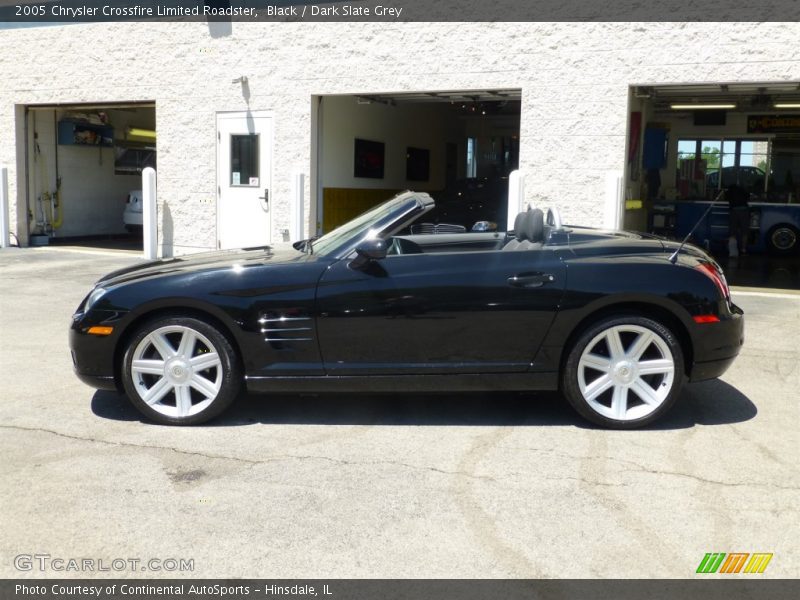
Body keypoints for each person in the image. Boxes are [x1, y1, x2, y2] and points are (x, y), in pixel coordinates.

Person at [727, 184, 750, 256]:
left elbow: (726, 198)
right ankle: (743, 250)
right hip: (744, 210)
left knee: (732, 231)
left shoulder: (729, 191)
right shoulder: (743, 190)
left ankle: (733, 252)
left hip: (734, 211)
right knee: (744, 231)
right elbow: (748, 197)